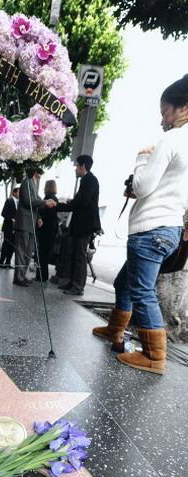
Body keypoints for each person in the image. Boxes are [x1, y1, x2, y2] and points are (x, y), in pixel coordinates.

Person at [93, 74, 188, 374]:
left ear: (182, 108)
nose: (163, 119)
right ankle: (115, 330)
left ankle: (153, 355)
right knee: (126, 282)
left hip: (152, 229)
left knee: (143, 290)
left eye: (165, 111)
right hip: (169, 228)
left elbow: (144, 186)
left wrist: (140, 159)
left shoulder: (172, 139)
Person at [58, 155, 101, 296]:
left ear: (83, 166)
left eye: (77, 166)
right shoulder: (87, 180)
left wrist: (68, 203)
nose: (75, 169)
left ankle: (78, 286)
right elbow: (81, 201)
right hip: (80, 225)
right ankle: (72, 282)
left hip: (85, 226)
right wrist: (71, 202)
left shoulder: (90, 180)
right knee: (74, 254)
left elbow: (82, 202)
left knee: (80, 257)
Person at [13, 168, 56, 286]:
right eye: (39, 173)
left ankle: (22, 275)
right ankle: (18, 277)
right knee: (22, 251)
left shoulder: (33, 183)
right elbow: (28, 201)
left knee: (28, 251)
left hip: (31, 222)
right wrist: (45, 202)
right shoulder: (27, 182)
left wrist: (39, 218)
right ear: (35, 172)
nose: (41, 176)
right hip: (24, 222)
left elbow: (35, 201)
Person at [35, 180, 59, 282]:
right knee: (46, 253)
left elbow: (45, 213)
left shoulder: (48, 199)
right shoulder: (55, 198)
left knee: (42, 253)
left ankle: (40, 276)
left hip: (46, 229)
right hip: (52, 229)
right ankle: (43, 276)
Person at [0, 187, 19, 269]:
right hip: (8, 226)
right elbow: (3, 213)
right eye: (18, 192)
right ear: (13, 193)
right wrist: (11, 218)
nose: (19, 194)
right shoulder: (9, 201)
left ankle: (8, 262)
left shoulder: (20, 203)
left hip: (16, 228)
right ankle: (1, 262)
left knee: (12, 245)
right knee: (6, 244)